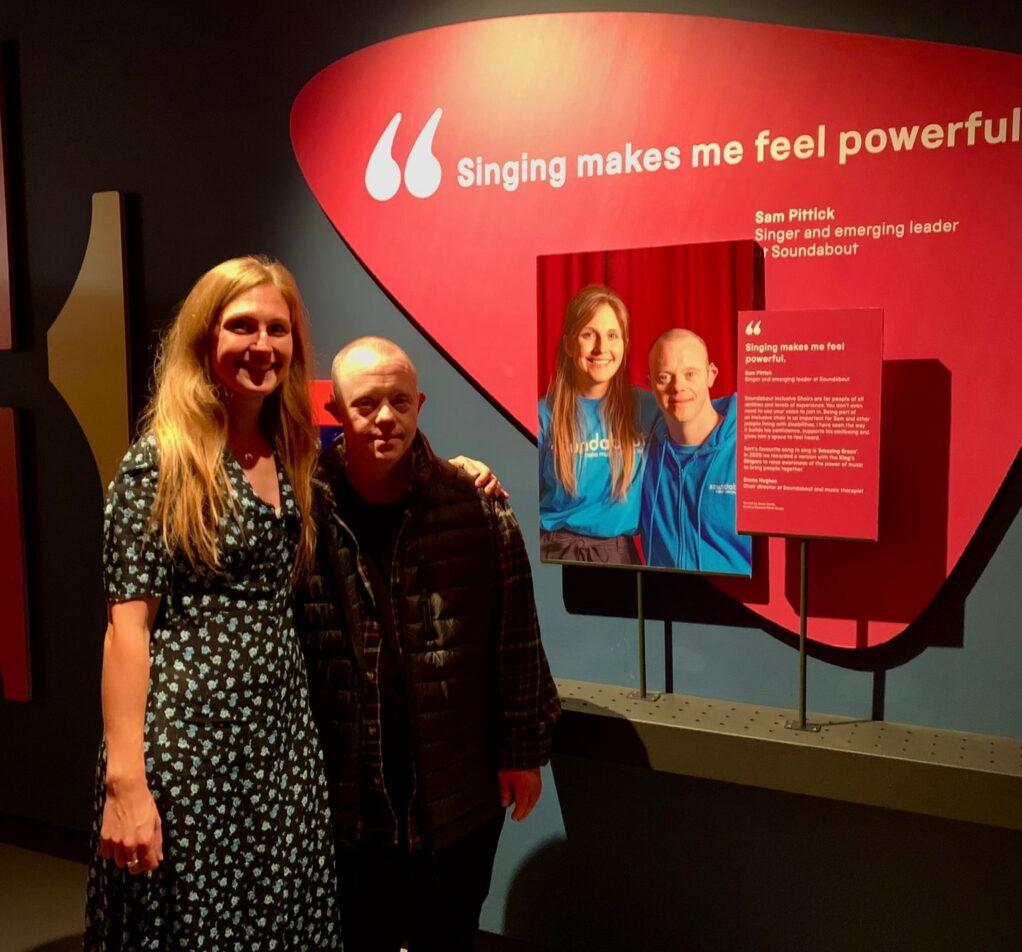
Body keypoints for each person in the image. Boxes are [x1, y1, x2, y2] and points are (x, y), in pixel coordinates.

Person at [84, 255, 342, 950]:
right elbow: (126, 631)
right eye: (241, 326)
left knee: (280, 917)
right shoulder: (160, 463)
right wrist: (126, 783)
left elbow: (386, 453)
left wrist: (466, 472)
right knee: (200, 927)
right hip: (191, 748)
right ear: (205, 338)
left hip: (279, 742)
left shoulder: (290, 451)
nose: (262, 345)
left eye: (277, 329)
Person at [295, 336, 561, 952]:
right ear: (336, 409)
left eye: (397, 401)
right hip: (350, 791)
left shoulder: (477, 507)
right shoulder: (301, 517)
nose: (384, 417)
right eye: (365, 404)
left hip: (458, 787)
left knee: (449, 929)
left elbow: (517, 638)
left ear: (419, 403)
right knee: (360, 932)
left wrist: (523, 751)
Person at [538, 284, 659, 565]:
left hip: (617, 553)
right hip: (554, 548)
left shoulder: (650, 407)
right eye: (588, 334)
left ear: (625, 345)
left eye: (612, 335)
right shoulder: (542, 415)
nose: (601, 348)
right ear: (569, 344)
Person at [640, 328, 752, 575]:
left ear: (711, 375)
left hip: (739, 609)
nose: (678, 386)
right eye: (664, 377)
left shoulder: (751, 449)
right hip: (665, 606)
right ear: (650, 386)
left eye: (690, 374)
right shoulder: (643, 454)